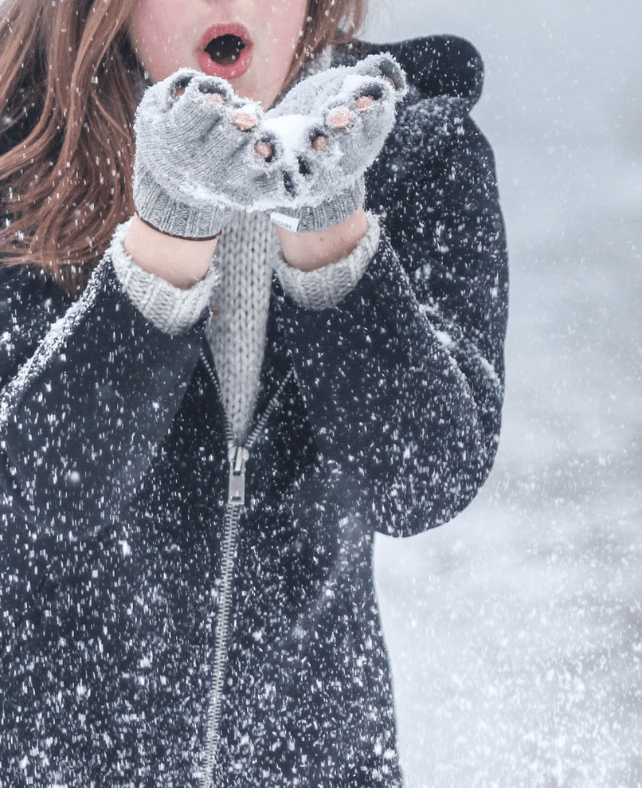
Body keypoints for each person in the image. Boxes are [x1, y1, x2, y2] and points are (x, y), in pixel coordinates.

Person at [0, 0, 508, 784]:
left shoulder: (416, 153)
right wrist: (169, 230)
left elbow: (423, 480)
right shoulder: (19, 156)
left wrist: (330, 227)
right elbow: (40, 492)